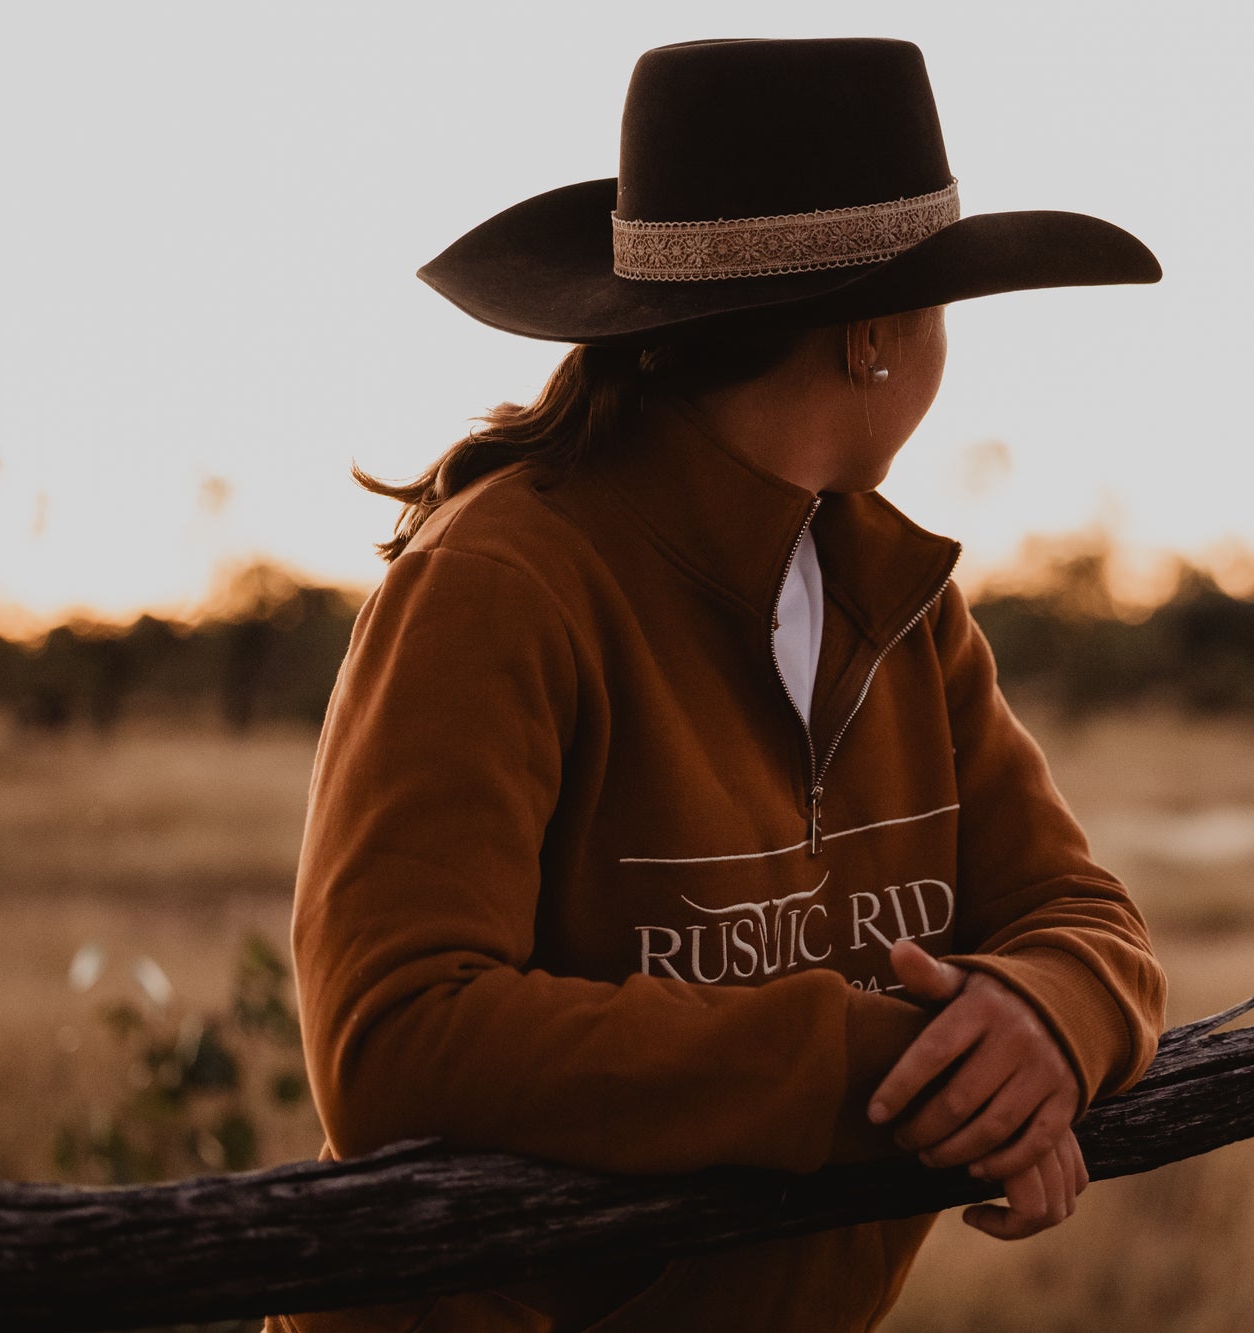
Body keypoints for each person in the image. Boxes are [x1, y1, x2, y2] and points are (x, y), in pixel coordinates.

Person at [267, 37, 1165, 1333]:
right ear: (873, 335)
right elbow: (394, 1040)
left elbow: (1084, 914)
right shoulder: (499, 585)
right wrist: (890, 1065)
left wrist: (1045, 1017)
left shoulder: (896, 596)